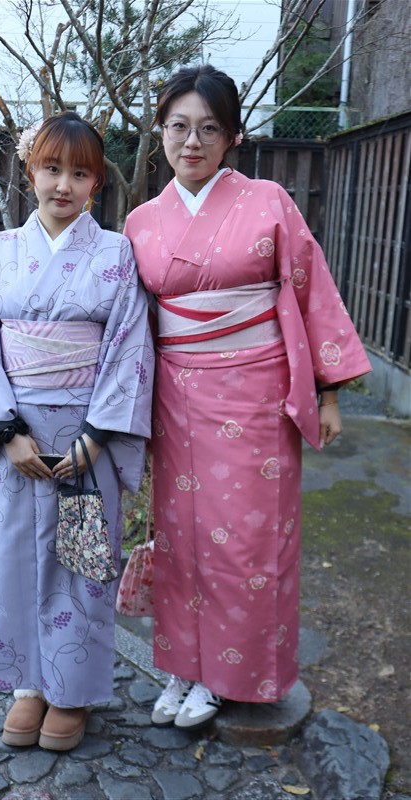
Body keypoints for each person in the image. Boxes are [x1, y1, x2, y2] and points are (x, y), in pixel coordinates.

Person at [124, 65, 372, 731]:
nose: (192, 141)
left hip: (256, 394)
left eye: (210, 129)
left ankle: (229, 676)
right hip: (174, 396)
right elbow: (129, 320)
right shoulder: (142, 221)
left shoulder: (268, 202)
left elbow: (309, 290)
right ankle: (183, 665)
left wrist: (325, 392)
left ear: (233, 136)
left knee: (246, 542)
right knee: (180, 537)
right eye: (179, 126)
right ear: (160, 130)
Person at [0, 111, 153, 751]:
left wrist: (97, 435)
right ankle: (27, 686)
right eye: (52, 168)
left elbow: (129, 347)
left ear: (97, 183)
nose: (64, 185)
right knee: (14, 556)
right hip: (20, 437)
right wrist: (5, 431)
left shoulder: (115, 254)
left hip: (87, 436)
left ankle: (71, 691)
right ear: (29, 171)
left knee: (81, 560)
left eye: (80, 174)